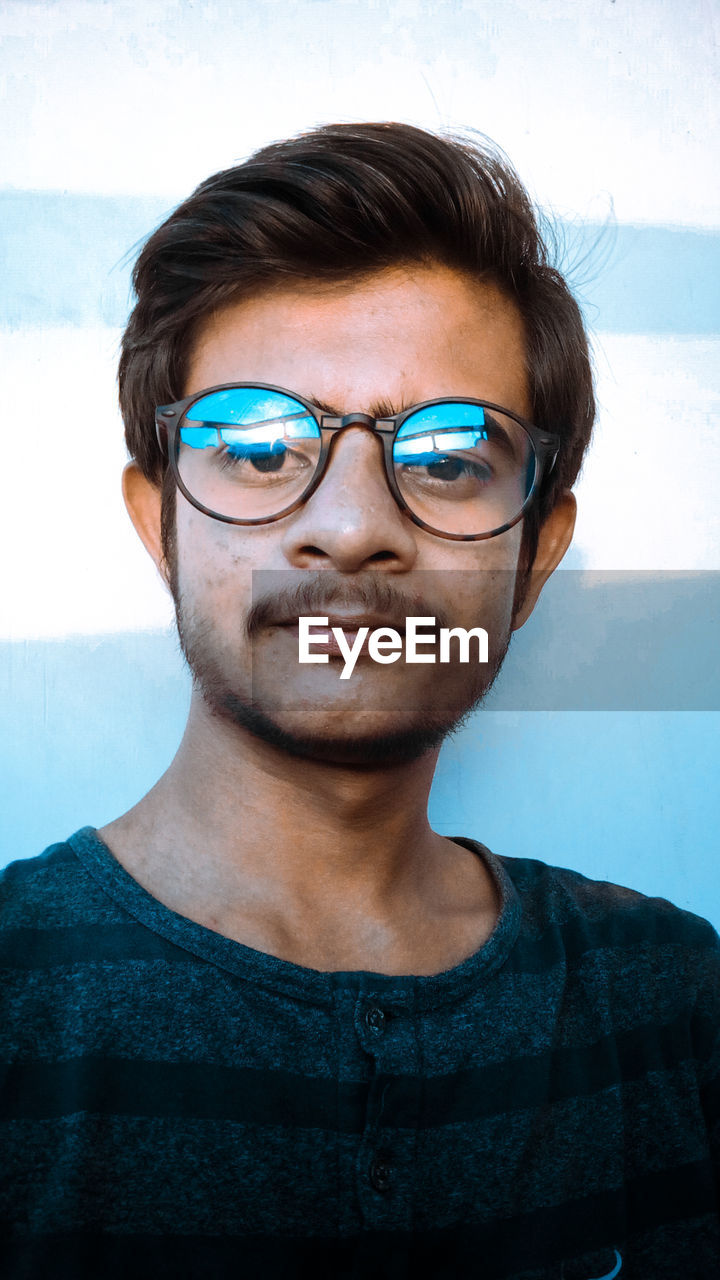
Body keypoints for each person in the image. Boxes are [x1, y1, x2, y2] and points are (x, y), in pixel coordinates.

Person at [0, 122, 717, 1280]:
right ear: (158, 525)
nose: (350, 524)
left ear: (535, 559)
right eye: (257, 445)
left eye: (446, 458)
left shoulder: (674, 1001)